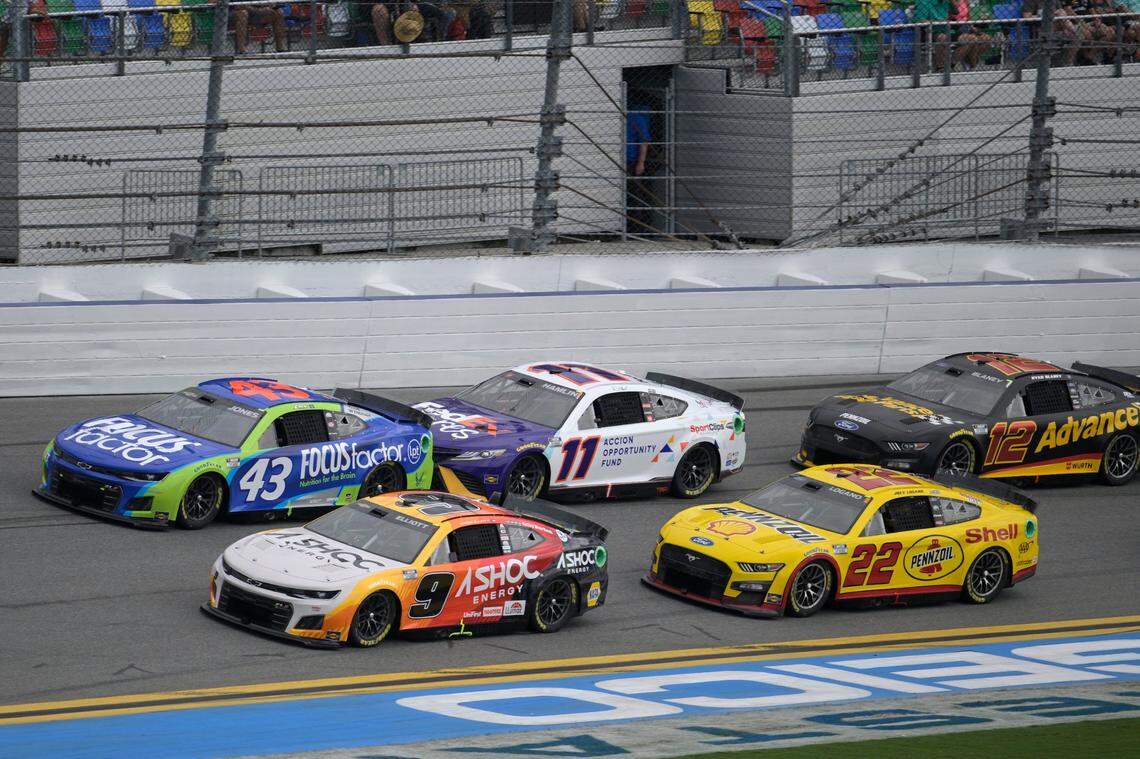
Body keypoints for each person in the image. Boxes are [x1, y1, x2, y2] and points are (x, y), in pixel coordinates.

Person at [625, 106, 653, 234]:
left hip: (631, 161)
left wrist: (641, 163)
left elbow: (644, 141)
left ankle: (638, 227)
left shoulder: (635, 117)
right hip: (623, 159)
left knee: (635, 194)